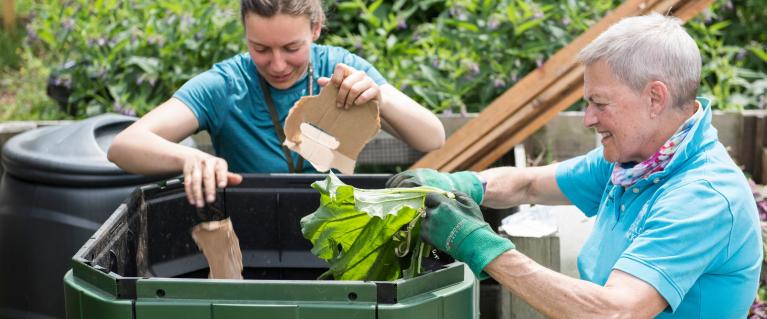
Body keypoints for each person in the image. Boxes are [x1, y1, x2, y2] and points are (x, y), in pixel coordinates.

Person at [387, 13, 762, 318]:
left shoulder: (702, 197)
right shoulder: (636, 164)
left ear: (655, 98)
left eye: (600, 102)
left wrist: (477, 244)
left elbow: (616, 313)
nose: (588, 119)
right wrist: (459, 185)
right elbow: (528, 185)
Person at [108, 0, 445, 208]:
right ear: (245, 34)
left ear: (315, 28)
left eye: (291, 48)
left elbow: (432, 138)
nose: (278, 64)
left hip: (338, 231)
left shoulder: (341, 70)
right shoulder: (225, 85)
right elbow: (124, 145)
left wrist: (378, 97)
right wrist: (190, 157)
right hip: (252, 234)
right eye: (261, 49)